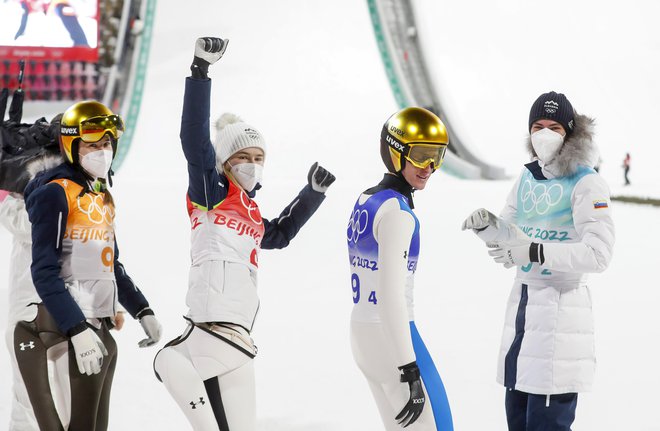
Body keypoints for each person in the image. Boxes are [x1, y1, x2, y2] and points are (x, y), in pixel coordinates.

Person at [153, 37, 335, 431]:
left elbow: (279, 234)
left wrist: (312, 194)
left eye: (259, 159)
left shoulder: (250, 211)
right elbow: (193, 141)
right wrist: (200, 71)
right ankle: (172, 358)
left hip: (239, 339)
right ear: (224, 161)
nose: (253, 166)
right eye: (243, 158)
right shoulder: (210, 192)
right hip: (209, 326)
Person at [461, 91, 615, 431]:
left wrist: (536, 251)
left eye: (554, 126)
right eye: (538, 126)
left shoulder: (587, 182)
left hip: (560, 321)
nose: (544, 134)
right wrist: (490, 230)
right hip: (522, 317)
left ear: (570, 133)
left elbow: (599, 254)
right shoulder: (528, 177)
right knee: (517, 422)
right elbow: (510, 238)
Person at [20, 100, 162, 431]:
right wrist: (76, 329)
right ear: (72, 145)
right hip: (68, 332)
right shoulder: (56, 193)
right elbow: (43, 271)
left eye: (106, 143)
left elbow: (111, 263)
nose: (102, 151)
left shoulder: (101, 196)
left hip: (100, 331)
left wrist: (142, 309)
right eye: (92, 144)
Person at [347, 107, 453, 430]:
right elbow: (391, 294)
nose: (430, 167)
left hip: (362, 333)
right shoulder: (398, 214)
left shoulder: (367, 199)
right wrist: (408, 368)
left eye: (437, 156)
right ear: (396, 153)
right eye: (421, 155)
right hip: (393, 337)